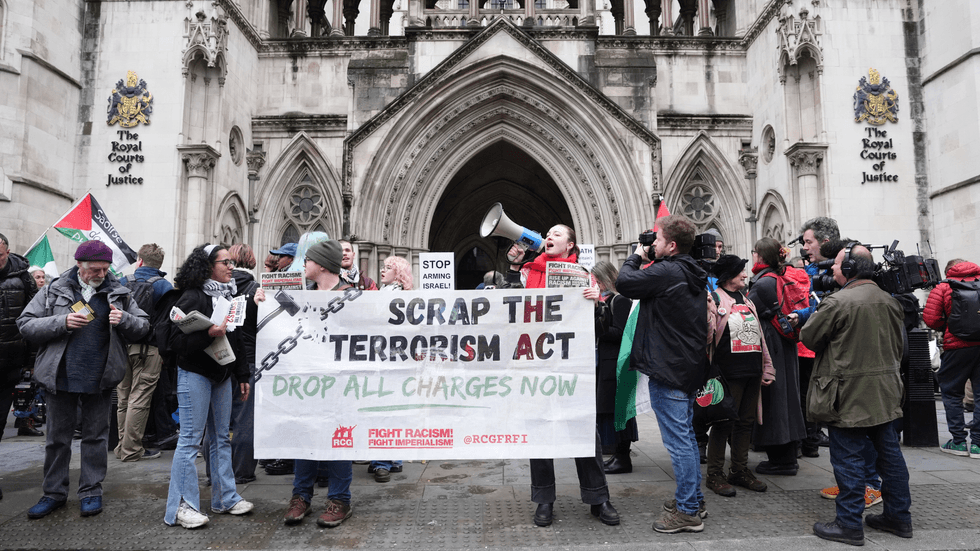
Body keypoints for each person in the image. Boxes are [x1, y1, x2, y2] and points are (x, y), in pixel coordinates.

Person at [17, 240, 149, 519]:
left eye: (104, 269)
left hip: (100, 377)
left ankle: (91, 491)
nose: (100, 274)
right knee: (57, 439)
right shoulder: (55, 289)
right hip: (60, 375)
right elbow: (25, 323)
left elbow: (143, 326)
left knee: (96, 438)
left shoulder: (119, 292)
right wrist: (62, 322)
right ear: (79, 265)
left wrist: (124, 318)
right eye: (94, 270)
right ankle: (53, 493)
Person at [505, 224, 620, 528]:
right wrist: (513, 266)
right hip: (535, 366)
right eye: (548, 234)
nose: (549, 237)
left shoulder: (584, 276)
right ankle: (544, 498)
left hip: (572, 368)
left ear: (570, 246)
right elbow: (504, 312)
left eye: (557, 234)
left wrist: (598, 305)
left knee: (584, 433)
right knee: (540, 431)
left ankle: (598, 497)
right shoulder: (528, 273)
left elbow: (600, 330)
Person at [801, 243, 913, 546]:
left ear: (849, 270)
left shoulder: (837, 303)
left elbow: (809, 337)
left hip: (846, 396)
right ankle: (899, 518)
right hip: (885, 395)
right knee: (890, 459)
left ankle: (849, 524)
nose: (832, 270)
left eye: (836, 265)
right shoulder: (890, 301)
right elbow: (900, 348)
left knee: (848, 460)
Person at [616, 214, 709, 533]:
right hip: (686, 366)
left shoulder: (668, 270)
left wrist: (636, 257)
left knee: (679, 441)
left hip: (668, 368)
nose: (651, 244)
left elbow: (624, 283)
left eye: (656, 240)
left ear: (671, 245)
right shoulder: (691, 270)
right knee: (686, 437)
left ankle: (686, 512)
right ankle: (693, 500)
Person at [257, 240, 355, 528]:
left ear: (322, 264)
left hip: (340, 383)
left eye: (308, 260)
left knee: (339, 440)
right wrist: (262, 301)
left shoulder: (351, 295)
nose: (303, 265)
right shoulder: (306, 294)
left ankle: (340, 499)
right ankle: (301, 497)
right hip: (307, 382)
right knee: (304, 436)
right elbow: (280, 315)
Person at [163, 244, 253, 529]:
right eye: (224, 262)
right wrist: (209, 333)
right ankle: (181, 507)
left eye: (231, 262)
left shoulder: (230, 295)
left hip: (222, 376)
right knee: (190, 440)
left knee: (221, 438)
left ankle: (225, 497)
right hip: (195, 375)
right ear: (208, 266)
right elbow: (173, 344)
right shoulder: (192, 297)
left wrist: (242, 375)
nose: (230, 267)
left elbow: (235, 339)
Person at [703, 255, 775, 497]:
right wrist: (706, 312)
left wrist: (767, 368)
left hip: (751, 373)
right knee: (723, 424)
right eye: (739, 272)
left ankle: (740, 470)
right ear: (727, 277)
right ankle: (714, 474)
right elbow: (707, 338)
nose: (745, 275)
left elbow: (761, 339)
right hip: (727, 375)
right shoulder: (715, 299)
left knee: (745, 424)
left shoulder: (747, 300)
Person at [203, 244, 262, 484]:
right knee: (245, 419)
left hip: (215, 360)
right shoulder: (257, 291)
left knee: (215, 422)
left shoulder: (210, 290)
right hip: (247, 361)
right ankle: (242, 471)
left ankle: (213, 472)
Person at [115, 243, 173, 462]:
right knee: (140, 399)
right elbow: (168, 323)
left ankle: (123, 446)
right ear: (159, 264)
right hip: (150, 349)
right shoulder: (164, 286)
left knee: (123, 399)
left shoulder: (122, 282)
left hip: (122, 347)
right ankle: (131, 450)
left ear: (139, 260)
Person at [923, 257, 980, 458]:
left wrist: (946, 327)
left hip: (956, 347)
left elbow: (930, 319)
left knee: (951, 393)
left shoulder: (944, 287)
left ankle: (958, 442)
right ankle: (978, 445)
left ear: (949, 271)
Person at [1, 233, 41, 498]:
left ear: (7, 251)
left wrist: (32, 362)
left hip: (8, 363)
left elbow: (33, 320)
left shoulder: (23, 277)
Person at [368, 255, 412, 482]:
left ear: (399, 273)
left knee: (382, 410)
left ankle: (382, 462)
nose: (382, 271)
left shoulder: (392, 296)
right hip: (395, 361)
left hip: (386, 361)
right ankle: (393, 458)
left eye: (387, 268)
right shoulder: (395, 295)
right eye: (382, 267)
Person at [589, 261, 636, 474]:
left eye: (596, 280)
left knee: (620, 411)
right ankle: (618, 455)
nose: (594, 284)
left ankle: (623, 457)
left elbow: (620, 332)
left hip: (617, 363)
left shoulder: (620, 300)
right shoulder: (607, 300)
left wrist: (595, 329)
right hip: (607, 363)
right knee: (612, 411)